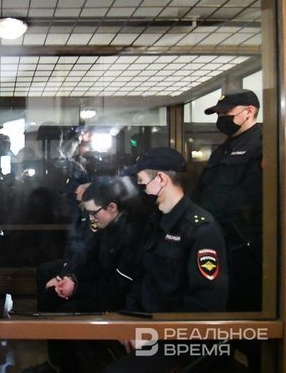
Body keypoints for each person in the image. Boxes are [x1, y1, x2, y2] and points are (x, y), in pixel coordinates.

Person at [105, 147, 228, 372]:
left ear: (161, 179)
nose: (140, 189)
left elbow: (206, 305)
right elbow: (142, 279)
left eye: (142, 183)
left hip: (178, 340)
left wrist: (153, 335)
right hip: (148, 325)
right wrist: (130, 322)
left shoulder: (200, 229)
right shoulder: (156, 222)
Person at [25, 177, 145, 373]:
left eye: (92, 213)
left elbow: (117, 288)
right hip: (104, 288)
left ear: (112, 207)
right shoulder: (107, 226)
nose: (90, 219)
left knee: (67, 314)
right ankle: (58, 364)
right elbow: (93, 261)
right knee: (52, 295)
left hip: (121, 299)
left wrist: (77, 289)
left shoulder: (131, 235)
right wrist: (72, 278)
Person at [192, 89, 262, 312]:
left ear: (249, 111)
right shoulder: (223, 148)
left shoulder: (263, 144)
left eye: (226, 113)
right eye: (219, 114)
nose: (221, 118)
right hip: (217, 238)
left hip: (244, 243)